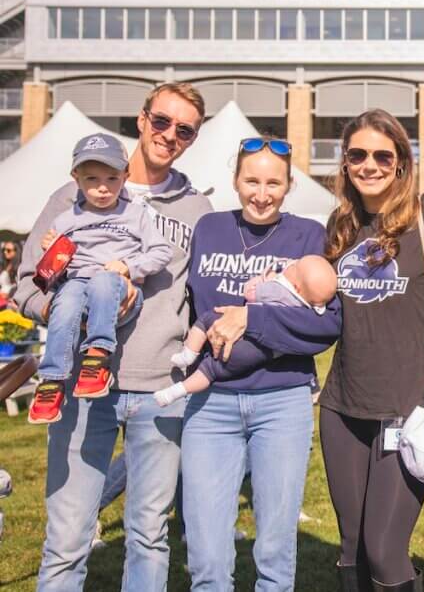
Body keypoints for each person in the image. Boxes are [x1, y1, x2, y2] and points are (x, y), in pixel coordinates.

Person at [14, 82, 212, 591]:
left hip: (157, 392)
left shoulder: (198, 212)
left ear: (193, 138)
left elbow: (205, 303)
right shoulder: (73, 194)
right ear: (142, 119)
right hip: (83, 388)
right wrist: (69, 308)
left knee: (149, 537)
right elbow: (26, 286)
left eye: (184, 129)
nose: (170, 135)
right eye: (162, 121)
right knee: (66, 538)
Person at [180, 135, 341, 590]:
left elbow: (325, 326)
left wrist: (251, 317)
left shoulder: (309, 235)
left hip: (282, 402)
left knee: (274, 550)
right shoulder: (208, 228)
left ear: (289, 185)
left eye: (274, 183)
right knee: (207, 555)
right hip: (210, 405)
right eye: (252, 180)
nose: (262, 193)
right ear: (235, 180)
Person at [318, 108, 424, 592]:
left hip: (408, 409)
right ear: (345, 163)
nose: (368, 164)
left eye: (381, 155)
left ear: (400, 163)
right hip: (343, 406)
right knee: (351, 546)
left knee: (384, 547)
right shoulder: (340, 224)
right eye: (357, 155)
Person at [28, 134, 173, 423]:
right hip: (77, 284)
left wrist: (129, 267)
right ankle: (51, 380)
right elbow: (54, 274)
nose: (103, 188)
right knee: (64, 301)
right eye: (92, 179)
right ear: (76, 178)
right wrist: (52, 253)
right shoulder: (65, 219)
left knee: (103, 281)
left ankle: (98, 357)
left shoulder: (136, 214)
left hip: (117, 285)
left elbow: (161, 252)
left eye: (112, 178)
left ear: (126, 176)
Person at [153, 254, 336, 407]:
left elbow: (249, 293)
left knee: (208, 320)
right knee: (212, 370)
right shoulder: (310, 306)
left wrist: (265, 279)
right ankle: (175, 392)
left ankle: (188, 354)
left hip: (248, 340)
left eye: (294, 268)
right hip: (263, 353)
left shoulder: (279, 289)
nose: (291, 265)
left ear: (296, 286)